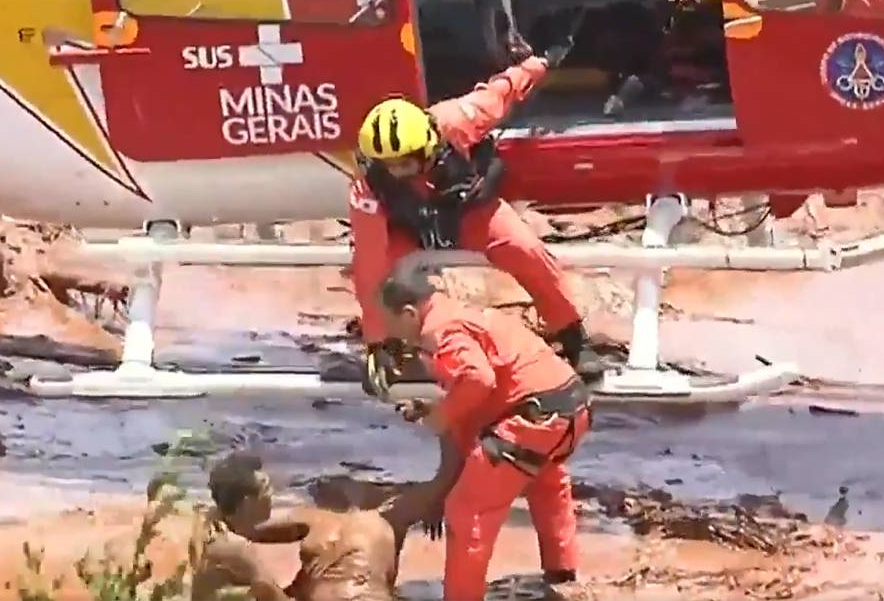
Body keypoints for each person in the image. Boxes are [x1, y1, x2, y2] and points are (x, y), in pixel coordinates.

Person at [349, 29, 603, 398]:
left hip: (465, 214)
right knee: (385, 278)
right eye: (387, 165)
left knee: (525, 249)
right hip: (406, 227)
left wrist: (542, 61)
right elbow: (369, 269)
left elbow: (503, 89)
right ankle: (395, 350)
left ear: (428, 147)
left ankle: (573, 339)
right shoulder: (366, 190)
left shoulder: (456, 121)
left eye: (404, 163)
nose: (396, 171)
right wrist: (375, 342)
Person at [379, 263, 593, 601]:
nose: (394, 334)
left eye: (391, 324)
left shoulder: (439, 330)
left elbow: (478, 379)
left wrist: (441, 417)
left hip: (532, 419)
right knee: (547, 483)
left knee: (468, 510)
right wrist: (441, 413)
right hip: (571, 409)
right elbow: (480, 393)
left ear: (408, 312)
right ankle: (561, 576)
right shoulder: (463, 313)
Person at [192, 447, 462, 601]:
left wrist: (434, 500)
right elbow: (248, 526)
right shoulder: (312, 517)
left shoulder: (387, 515)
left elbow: (446, 476)